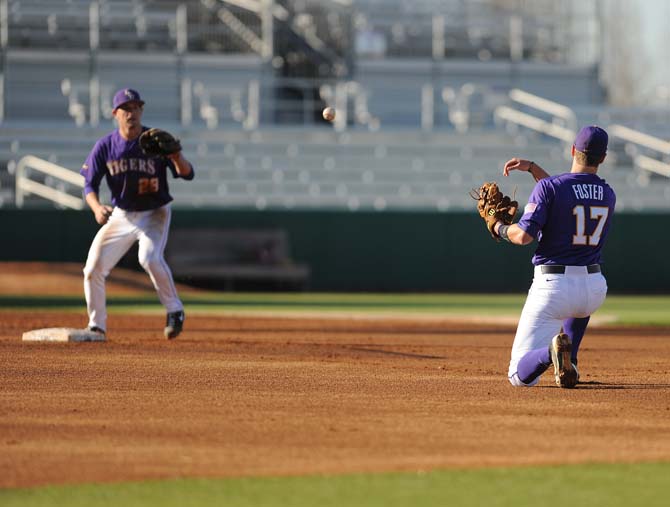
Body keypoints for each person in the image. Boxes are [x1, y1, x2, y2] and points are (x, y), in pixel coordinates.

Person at [493, 126, 616, 388]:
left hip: (554, 289)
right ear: (603, 158)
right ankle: (570, 361)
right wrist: (534, 169)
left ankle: (552, 353)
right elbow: (567, 197)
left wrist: (498, 228)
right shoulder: (608, 194)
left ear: (573, 150)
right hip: (593, 289)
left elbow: (524, 235)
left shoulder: (551, 188)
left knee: (518, 376)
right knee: (579, 305)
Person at [80, 88, 194, 339]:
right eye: (126, 108)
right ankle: (96, 326)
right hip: (122, 214)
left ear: (142, 111)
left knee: (150, 258)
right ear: (115, 113)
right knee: (92, 269)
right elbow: (89, 184)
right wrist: (97, 207)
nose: (132, 113)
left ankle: (175, 310)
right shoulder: (106, 146)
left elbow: (187, 173)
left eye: (136, 108)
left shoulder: (154, 140)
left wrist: (176, 155)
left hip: (155, 213)